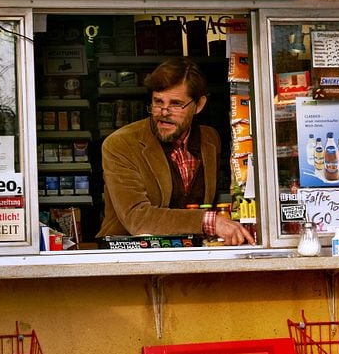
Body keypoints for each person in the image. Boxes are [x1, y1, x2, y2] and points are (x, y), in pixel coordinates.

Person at [98, 58, 255, 245]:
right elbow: (137, 218)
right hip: (132, 261)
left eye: (175, 104)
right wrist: (210, 222)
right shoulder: (120, 144)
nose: (164, 112)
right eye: (158, 102)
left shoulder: (210, 139)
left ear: (199, 105)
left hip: (189, 258)